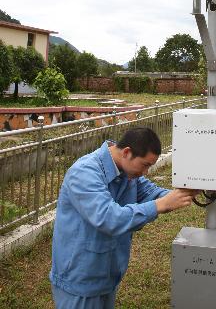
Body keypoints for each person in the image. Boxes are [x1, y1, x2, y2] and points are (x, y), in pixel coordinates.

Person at [50, 126, 197, 308]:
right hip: (80, 279)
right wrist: (162, 204)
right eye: (145, 165)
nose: (146, 173)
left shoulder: (126, 172)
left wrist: (187, 192)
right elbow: (108, 218)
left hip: (107, 275)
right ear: (127, 152)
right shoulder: (84, 172)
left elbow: (152, 193)